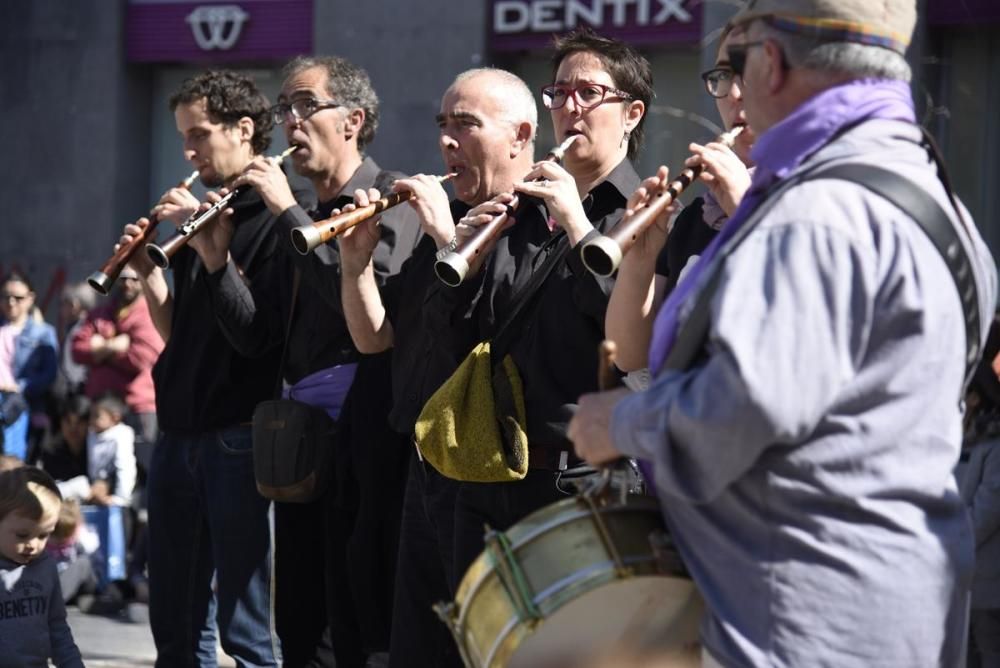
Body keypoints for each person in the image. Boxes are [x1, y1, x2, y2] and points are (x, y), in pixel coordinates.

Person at [568, 2, 998, 666]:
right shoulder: (935, 196)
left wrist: (617, 421)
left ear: (769, 63)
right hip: (896, 610)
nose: (730, 92)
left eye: (736, 65)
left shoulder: (814, 214)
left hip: (797, 623)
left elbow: (740, 411)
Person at [207, 55, 421, 666]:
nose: (290, 122)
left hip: (366, 433)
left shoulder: (392, 199)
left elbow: (366, 314)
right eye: (285, 109)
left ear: (352, 120)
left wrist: (286, 213)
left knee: (356, 618)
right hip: (301, 441)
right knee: (298, 620)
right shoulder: (295, 215)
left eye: (305, 105)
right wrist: (216, 264)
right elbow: (258, 338)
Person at [338, 66, 541, 668]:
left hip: (495, 476)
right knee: (418, 649)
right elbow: (379, 341)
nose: (447, 141)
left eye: (466, 125)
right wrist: (354, 267)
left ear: (520, 135)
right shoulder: (448, 218)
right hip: (427, 463)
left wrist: (446, 235)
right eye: (443, 125)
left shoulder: (542, 221)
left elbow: (492, 337)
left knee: (483, 649)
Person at [117, 69, 314, 666]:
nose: (189, 151)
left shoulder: (285, 214)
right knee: (175, 619)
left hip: (240, 436)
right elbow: (185, 337)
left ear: (245, 129)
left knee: (246, 626)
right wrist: (152, 279)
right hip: (179, 430)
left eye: (200, 134)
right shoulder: (208, 211)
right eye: (184, 137)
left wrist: (216, 256)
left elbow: (256, 338)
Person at [445, 27, 648, 592]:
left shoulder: (648, 211)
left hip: (585, 476)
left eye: (588, 93)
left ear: (631, 114)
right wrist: (458, 253)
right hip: (494, 468)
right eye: (558, 93)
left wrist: (580, 224)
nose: (569, 108)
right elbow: (467, 337)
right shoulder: (523, 210)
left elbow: (630, 343)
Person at [606, 27, 755, 373]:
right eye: (723, 75)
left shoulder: (815, 195)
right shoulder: (698, 217)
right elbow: (628, 356)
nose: (733, 93)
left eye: (749, 72)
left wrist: (745, 209)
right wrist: (639, 262)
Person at [71, 266, 164, 466]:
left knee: (142, 471)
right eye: (122, 279)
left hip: (137, 408)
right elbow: (77, 350)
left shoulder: (149, 313)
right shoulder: (101, 313)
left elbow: (142, 358)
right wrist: (114, 345)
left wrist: (99, 348)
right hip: (100, 409)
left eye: (134, 278)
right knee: (99, 472)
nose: (127, 284)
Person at [0, 466, 83, 667]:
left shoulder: (45, 566)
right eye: (22, 535)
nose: (33, 544)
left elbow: (57, 628)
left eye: (44, 535)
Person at [0, 271, 58, 462]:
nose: (11, 303)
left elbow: (49, 374)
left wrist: (20, 387)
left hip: (26, 407)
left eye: (18, 298)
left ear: (30, 298)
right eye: (5, 297)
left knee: (15, 466)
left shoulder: (43, 333)